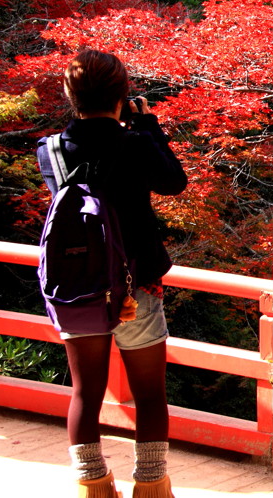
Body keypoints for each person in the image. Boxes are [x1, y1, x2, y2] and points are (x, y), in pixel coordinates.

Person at [37, 49, 187, 498]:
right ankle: (151, 487)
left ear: (69, 93)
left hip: (76, 286)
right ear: (123, 95)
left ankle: (93, 486)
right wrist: (148, 126)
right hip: (133, 283)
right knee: (149, 394)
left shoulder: (51, 149)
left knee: (85, 392)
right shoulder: (135, 143)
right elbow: (173, 182)